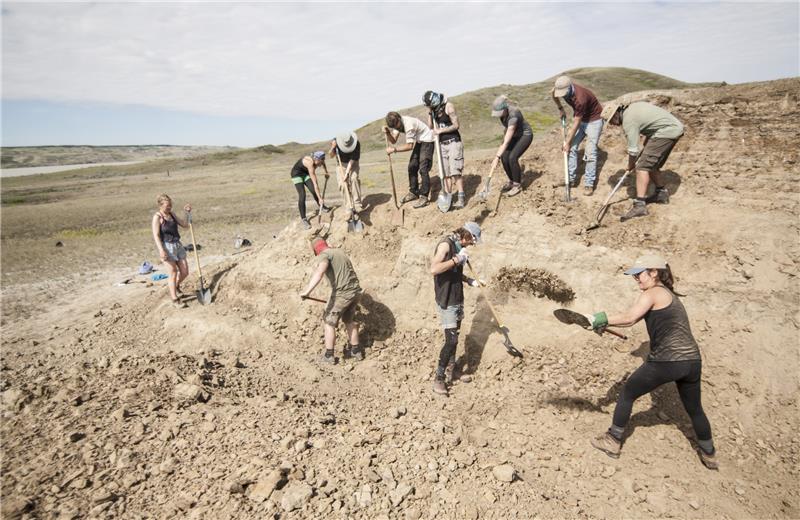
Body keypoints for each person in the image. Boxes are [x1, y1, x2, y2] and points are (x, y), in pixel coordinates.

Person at [586, 253, 718, 470]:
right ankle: (709, 453)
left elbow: (630, 317)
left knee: (628, 392)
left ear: (654, 272)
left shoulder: (654, 292)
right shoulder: (669, 295)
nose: (636, 279)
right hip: (692, 361)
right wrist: (604, 323)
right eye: (634, 276)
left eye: (639, 274)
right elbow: (632, 321)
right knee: (694, 409)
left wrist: (599, 318)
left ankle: (612, 440)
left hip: (667, 359)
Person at [601, 99, 684, 221]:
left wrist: (631, 165)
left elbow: (633, 149)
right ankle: (661, 194)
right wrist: (647, 145)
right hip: (671, 129)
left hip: (666, 132)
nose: (612, 124)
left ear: (616, 114)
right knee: (651, 165)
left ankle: (640, 206)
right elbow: (651, 124)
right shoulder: (632, 109)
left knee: (642, 167)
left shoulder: (628, 121)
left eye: (611, 121)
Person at [429, 221, 483, 395]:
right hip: (446, 299)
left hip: (457, 297)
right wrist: (456, 259)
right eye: (472, 241)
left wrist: (470, 281)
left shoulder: (459, 247)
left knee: (455, 337)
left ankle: (452, 371)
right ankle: (439, 379)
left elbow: (455, 273)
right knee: (451, 340)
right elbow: (434, 269)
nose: (472, 245)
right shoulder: (446, 245)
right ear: (467, 235)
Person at [300, 238, 364, 364]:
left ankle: (329, 355)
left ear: (316, 250)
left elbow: (320, 272)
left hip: (342, 294)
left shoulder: (324, 255)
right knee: (349, 321)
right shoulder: (338, 252)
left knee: (329, 323)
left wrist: (307, 291)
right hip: (355, 292)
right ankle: (356, 351)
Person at [552, 75, 604, 196]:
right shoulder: (560, 89)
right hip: (582, 119)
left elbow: (576, 122)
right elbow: (553, 95)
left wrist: (567, 142)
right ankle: (570, 179)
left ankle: (589, 183)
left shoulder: (580, 98)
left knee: (590, 153)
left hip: (594, 121)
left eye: (564, 93)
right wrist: (560, 108)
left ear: (570, 87)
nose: (563, 95)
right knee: (571, 149)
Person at [423, 90, 466, 209]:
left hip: (453, 142)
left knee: (455, 171)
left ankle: (461, 198)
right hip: (441, 145)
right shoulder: (434, 111)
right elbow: (430, 126)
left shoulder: (449, 107)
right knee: (445, 173)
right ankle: (448, 197)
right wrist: (429, 113)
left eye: (430, 105)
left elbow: (456, 125)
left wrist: (441, 131)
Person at [384, 111, 435, 209]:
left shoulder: (408, 124)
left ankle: (424, 196)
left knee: (423, 168)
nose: (397, 127)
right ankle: (414, 192)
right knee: (412, 166)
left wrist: (393, 150)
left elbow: (409, 146)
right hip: (420, 141)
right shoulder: (397, 124)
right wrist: (388, 133)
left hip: (428, 140)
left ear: (399, 118)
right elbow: (393, 140)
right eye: (394, 127)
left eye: (396, 125)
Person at [151, 194, 192, 309]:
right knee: (173, 272)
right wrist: (161, 250)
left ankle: (176, 286)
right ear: (160, 205)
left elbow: (185, 225)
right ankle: (175, 299)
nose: (169, 208)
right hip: (167, 247)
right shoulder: (157, 217)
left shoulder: (172, 214)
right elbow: (156, 235)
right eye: (167, 206)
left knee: (184, 271)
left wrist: (187, 213)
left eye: (170, 205)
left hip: (178, 245)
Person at [490, 95, 533, 197]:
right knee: (505, 158)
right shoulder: (503, 114)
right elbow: (506, 134)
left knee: (512, 157)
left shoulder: (514, 114)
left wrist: (496, 157)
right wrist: (500, 155)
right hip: (514, 136)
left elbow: (506, 141)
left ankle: (517, 185)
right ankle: (512, 181)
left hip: (524, 135)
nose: (499, 115)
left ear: (505, 108)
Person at [290, 151, 331, 229]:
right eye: (320, 162)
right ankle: (304, 219)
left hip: (305, 174)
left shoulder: (319, 160)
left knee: (312, 190)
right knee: (302, 195)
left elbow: (323, 163)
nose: (320, 165)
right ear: (316, 159)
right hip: (296, 174)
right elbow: (316, 184)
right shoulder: (310, 163)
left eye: (322, 161)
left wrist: (326, 172)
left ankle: (322, 207)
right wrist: (320, 198)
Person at [328, 131, 363, 212]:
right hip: (341, 165)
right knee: (342, 184)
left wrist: (347, 173)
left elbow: (353, 159)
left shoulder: (356, 143)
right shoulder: (336, 142)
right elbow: (331, 156)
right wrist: (333, 147)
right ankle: (349, 205)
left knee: (354, 179)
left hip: (353, 163)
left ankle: (357, 203)